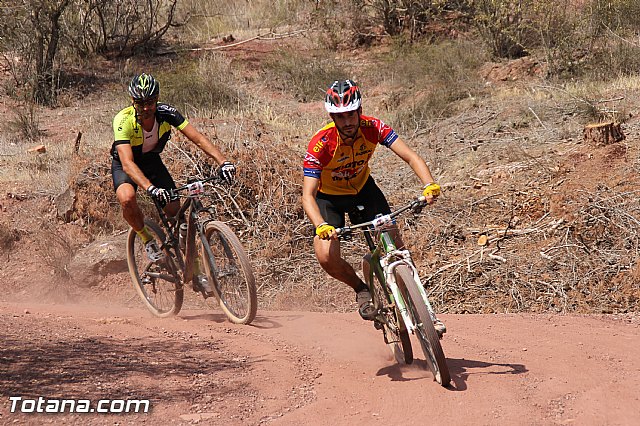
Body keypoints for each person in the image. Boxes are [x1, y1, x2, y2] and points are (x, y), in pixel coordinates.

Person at [301, 79, 444, 331]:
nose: (346, 122)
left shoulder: (374, 127)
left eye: (350, 115)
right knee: (325, 256)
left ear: (359, 110)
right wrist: (320, 224)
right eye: (339, 116)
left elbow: (410, 156)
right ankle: (361, 289)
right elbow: (308, 195)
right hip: (329, 198)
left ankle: (417, 303)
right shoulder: (321, 143)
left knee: (395, 244)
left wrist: (429, 184)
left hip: (363, 189)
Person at [111, 73, 236, 290]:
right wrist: (150, 188)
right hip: (126, 164)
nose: (146, 107)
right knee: (127, 197)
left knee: (176, 214)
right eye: (140, 103)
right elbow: (128, 163)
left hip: (152, 162)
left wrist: (223, 162)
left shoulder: (166, 113)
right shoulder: (123, 120)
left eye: (150, 102)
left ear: (157, 99)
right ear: (132, 101)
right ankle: (147, 239)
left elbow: (197, 138)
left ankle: (195, 272)